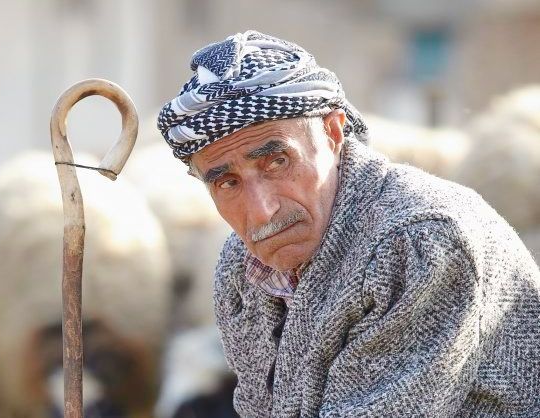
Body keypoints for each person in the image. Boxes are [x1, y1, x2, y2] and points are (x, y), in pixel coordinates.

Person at [156, 30, 540, 417]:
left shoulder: (421, 240)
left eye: (276, 162)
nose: (261, 211)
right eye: (227, 183)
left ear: (333, 131)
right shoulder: (243, 268)